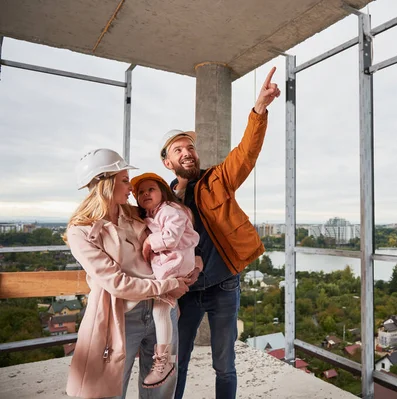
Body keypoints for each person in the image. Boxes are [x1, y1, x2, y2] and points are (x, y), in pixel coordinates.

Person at [160, 66, 280, 399]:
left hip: (224, 284)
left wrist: (259, 109)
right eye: (178, 150)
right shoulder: (161, 200)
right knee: (176, 362)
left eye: (190, 148)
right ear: (167, 162)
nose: (188, 153)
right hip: (183, 291)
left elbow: (246, 153)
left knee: (224, 365)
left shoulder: (217, 179)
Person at [64, 148, 190, 399]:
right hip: (121, 316)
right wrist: (168, 285)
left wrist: (193, 266)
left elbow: (176, 235)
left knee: (162, 387)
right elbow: (116, 283)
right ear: (105, 183)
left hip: (161, 309)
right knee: (110, 390)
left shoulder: (136, 214)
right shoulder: (80, 231)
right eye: (124, 180)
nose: (131, 187)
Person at [129, 172, 202, 388]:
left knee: (160, 306)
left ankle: (164, 360)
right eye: (140, 192)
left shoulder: (170, 211)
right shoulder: (155, 212)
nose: (145, 194)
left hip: (176, 263)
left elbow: (170, 238)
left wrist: (150, 241)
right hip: (173, 261)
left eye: (150, 189)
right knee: (167, 307)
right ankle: (172, 318)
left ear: (163, 191)